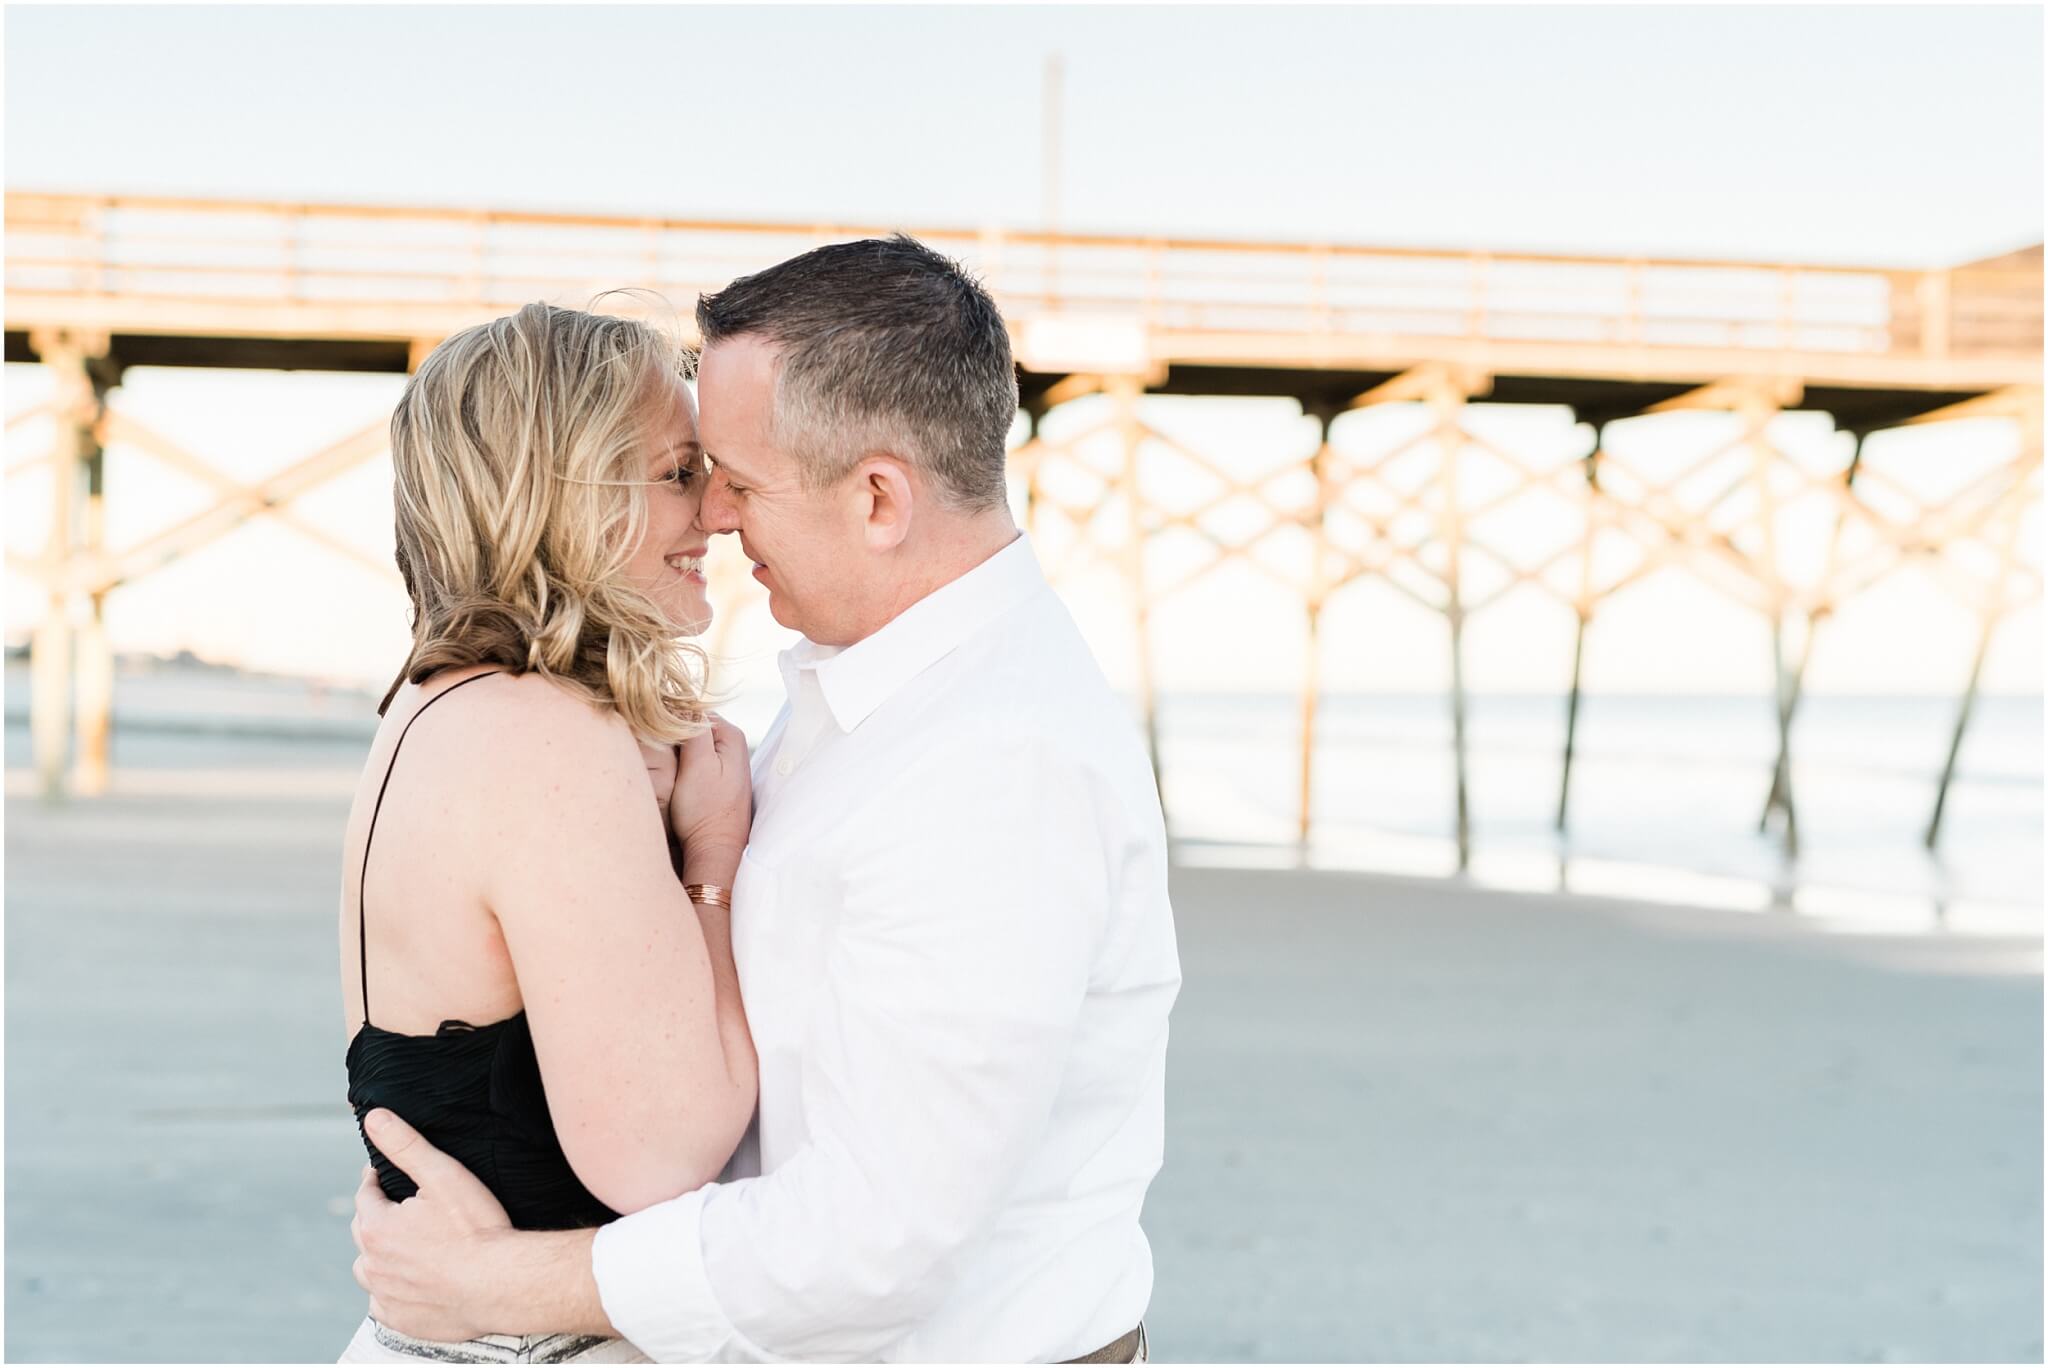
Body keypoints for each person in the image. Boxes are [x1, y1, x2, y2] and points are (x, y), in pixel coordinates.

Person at [352, 236, 1182, 1363]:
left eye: (733, 478)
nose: (720, 518)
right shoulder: (858, 698)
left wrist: (496, 1282)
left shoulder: (994, 764)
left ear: (878, 498)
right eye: (689, 473)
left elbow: (871, 1243)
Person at [338, 303, 759, 1363]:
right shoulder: (540, 738)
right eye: (675, 473)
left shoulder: (440, 704)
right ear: (558, 493)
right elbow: (661, 1155)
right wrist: (710, 866)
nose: (715, 510)